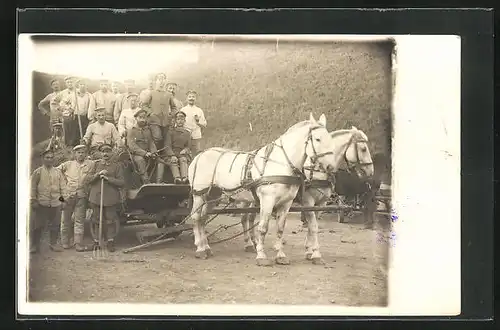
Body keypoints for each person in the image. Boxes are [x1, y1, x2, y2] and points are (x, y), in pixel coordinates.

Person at [85, 143, 125, 252]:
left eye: (108, 151)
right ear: (100, 153)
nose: (105, 154)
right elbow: (87, 179)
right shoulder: (95, 164)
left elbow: (121, 182)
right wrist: (98, 174)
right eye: (103, 152)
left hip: (110, 198)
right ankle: (96, 241)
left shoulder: (117, 166)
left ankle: (110, 242)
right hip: (96, 197)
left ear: (112, 153)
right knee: (96, 220)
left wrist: (108, 178)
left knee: (110, 220)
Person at [140, 72, 178, 179]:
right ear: (156, 81)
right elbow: (144, 105)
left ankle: (162, 157)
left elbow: (174, 107)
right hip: (154, 121)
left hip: (165, 122)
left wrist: (171, 114)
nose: (161, 81)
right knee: (157, 137)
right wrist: (150, 113)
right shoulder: (151, 93)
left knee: (166, 140)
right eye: (159, 79)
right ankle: (154, 155)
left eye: (163, 79)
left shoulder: (168, 95)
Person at [29, 149, 68, 253]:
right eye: (47, 157)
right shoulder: (37, 172)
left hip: (55, 203)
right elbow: (32, 188)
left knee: (55, 225)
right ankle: (35, 246)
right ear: (43, 159)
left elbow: (63, 188)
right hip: (42, 203)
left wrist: (63, 201)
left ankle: (53, 244)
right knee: (38, 225)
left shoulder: (58, 172)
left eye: (51, 157)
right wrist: (33, 200)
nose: (49, 159)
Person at [57, 145, 94, 251]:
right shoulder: (68, 165)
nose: (80, 154)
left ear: (86, 154)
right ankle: (65, 242)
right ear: (74, 154)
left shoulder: (90, 164)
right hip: (67, 196)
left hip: (81, 196)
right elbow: (55, 172)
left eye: (83, 152)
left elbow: (99, 165)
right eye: (78, 152)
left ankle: (78, 243)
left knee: (79, 221)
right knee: (65, 220)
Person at [126, 109, 158, 184]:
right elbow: (132, 146)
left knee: (158, 160)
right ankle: (146, 181)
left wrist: (154, 152)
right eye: (140, 117)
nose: (142, 120)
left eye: (144, 118)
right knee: (140, 160)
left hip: (148, 153)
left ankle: (157, 181)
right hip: (136, 155)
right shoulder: (131, 130)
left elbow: (151, 142)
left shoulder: (147, 130)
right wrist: (144, 153)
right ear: (136, 118)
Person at [165, 111, 192, 184]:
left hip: (181, 153)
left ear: (184, 121)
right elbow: (167, 146)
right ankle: (177, 179)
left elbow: (188, 146)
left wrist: (185, 149)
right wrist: (172, 155)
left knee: (183, 159)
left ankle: (185, 178)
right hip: (172, 153)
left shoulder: (187, 133)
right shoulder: (171, 132)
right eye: (178, 119)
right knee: (173, 161)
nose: (180, 121)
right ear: (176, 120)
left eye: (182, 119)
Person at [180, 90, 207, 157]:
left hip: (196, 136)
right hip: (185, 136)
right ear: (186, 98)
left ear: (195, 98)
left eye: (193, 97)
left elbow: (204, 125)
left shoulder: (199, 110)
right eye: (189, 97)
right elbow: (178, 124)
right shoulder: (183, 110)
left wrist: (198, 122)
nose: (191, 98)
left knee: (196, 155)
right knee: (185, 155)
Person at [58, 76, 80, 147]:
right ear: (66, 83)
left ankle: (75, 146)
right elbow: (54, 102)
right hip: (66, 115)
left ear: (74, 83)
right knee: (67, 131)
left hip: (77, 115)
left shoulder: (78, 91)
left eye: (71, 82)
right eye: (68, 82)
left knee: (76, 131)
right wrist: (60, 110)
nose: (70, 84)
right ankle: (67, 146)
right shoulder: (63, 93)